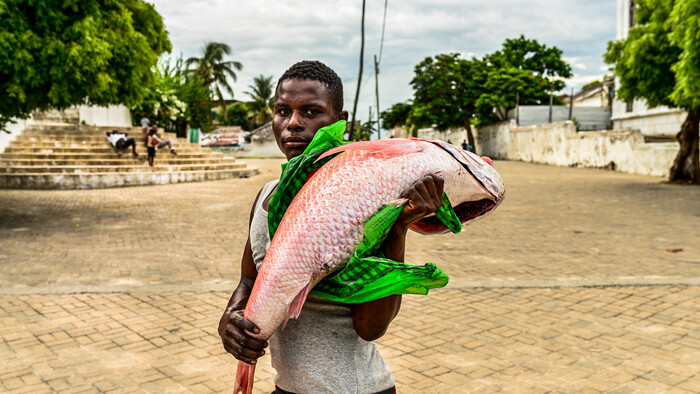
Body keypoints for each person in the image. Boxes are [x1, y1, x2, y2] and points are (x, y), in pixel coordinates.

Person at [218, 60, 444, 394]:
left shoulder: (362, 202)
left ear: (339, 122)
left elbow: (371, 328)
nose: (293, 123)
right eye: (283, 111)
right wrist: (231, 318)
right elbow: (250, 279)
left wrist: (396, 228)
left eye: (311, 112)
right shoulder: (268, 195)